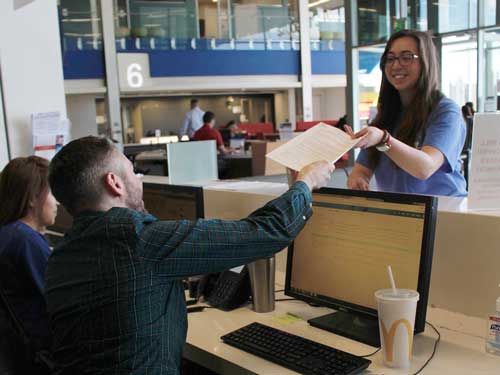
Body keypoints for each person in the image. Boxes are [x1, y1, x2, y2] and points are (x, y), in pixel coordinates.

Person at [45, 136, 334, 375]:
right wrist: (305, 184)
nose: (139, 177)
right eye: (132, 171)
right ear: (114, 183)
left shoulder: (61, 256)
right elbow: (266, 231)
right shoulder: (137, 239)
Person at [346, 30, 467, 197]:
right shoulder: (385, 116)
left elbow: (425, 167)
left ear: (425, 62)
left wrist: (383, 139)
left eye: (407, 57)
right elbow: (361, 170)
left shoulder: (446, 112)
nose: (396, 65)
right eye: (390, 58)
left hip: (445, 213)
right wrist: (359, 179)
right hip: (402, 214)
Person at [0, 156, 58, 372]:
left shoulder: (10, 233)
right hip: (39, 355)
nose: (57, 202)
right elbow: (57, 299)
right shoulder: (25, 241)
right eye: (52, 193)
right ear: (33, 197)